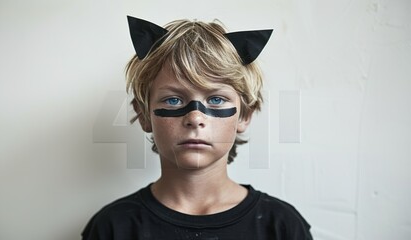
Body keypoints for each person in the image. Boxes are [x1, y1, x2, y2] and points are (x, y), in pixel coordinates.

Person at [82, 16, 312, 240]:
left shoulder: (282, 226)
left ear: (245, 115)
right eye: (173, 100)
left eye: (216, 99)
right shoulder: (112, 227)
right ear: (144, 115)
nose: (195, 117)